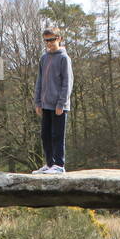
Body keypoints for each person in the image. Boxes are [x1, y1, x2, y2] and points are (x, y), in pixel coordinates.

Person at [32, 26, 73, 174]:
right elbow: (40, 81)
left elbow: (67, 83)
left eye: (51, 40)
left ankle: (59, 165)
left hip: (59, 105)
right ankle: (49, 164)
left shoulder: (64, 58)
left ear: (59, 39)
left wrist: (61, 103)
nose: (49, 43)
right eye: (46, 41)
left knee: (57, 135)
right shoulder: (43, 58)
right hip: (45, 104)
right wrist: (37, 102)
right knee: (45, 135)